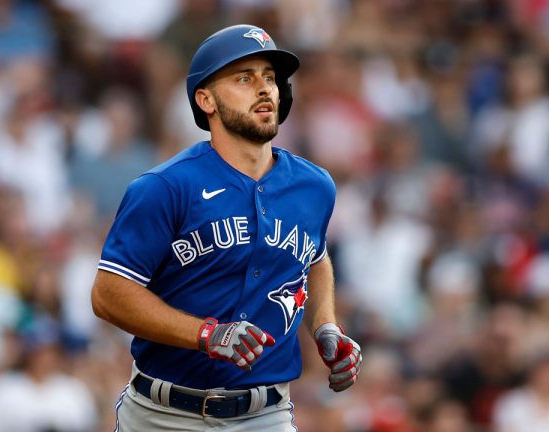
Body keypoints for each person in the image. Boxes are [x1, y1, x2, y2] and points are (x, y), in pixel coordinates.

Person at [91, 24, 363, 431]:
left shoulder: (314, 186)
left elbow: (315, 260)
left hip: (265, 415)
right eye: (244, 78)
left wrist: (324, 323)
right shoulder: (165, 187)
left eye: (270, 78)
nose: (264, 88)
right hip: (162, 415)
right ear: (206, 100)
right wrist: (206, 334)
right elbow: (108, 294)